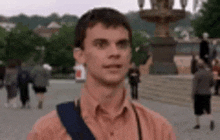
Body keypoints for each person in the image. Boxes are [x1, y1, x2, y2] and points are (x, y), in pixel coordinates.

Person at [27, 8, 176, 140]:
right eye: (101, 44)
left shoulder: (159, 130)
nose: (114, 53)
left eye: (122, 44)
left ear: (130, 54)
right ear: (80, 55)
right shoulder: (48, 132)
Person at [192, 60, 215, 130]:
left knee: (197, 110)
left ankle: (198, 124)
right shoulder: (209, 73)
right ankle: (211, 120)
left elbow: (194, 86)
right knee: (208, 109)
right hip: (207, 93)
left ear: (198, 66)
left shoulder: (197, 74)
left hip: (199, 94)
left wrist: (193, 94)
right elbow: (213, 83)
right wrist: (208, 87)